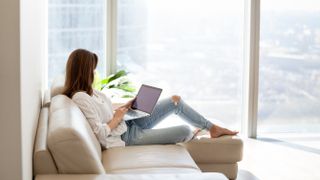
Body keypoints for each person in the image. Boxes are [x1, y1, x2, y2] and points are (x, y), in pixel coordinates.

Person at [63, 49, 238, 149]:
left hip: (127, 123)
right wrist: (117, 118)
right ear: (83, 71)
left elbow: (106, 115)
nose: (94, 72)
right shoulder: (80, 98)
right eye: (92, 69)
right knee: (185, 131)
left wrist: (125, 107)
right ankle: (201, 131)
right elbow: (99, 134)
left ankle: (212, 128)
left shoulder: (92, 92)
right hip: (126, 137)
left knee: (174, 100)